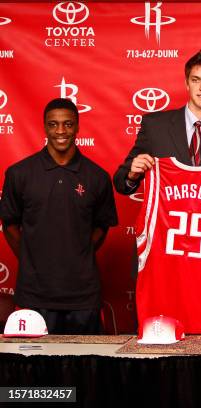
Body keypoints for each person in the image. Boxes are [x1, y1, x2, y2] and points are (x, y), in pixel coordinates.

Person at [0, 98, 118, 334]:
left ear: (77, 127)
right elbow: (9, 223)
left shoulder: (97, 176)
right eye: (53, 124)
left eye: (67, 124)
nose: (61, 131)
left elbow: (102, 225)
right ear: (44, 127)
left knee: (85, 367)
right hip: (35, 295)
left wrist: (79, 250)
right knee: (35, 369)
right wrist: (30, 254)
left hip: (83, 296)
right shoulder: (19, 173)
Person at [113, 49, 201, 214]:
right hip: (164, 234)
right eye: (196, 80)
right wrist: (132, 176)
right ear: (187, 83)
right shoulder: (155, 127)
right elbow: (121, 185)